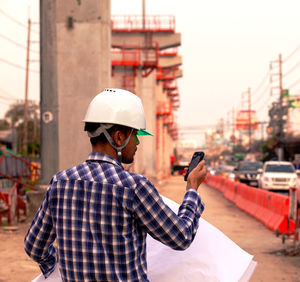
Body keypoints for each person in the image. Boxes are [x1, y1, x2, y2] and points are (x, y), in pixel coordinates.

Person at [24, 88, 207, 282]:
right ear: (119, 137)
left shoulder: (59, 183)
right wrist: (192, 190)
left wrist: (57, 267)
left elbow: (34, 247)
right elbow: (181, 237)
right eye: (135, 135)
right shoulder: (134, 187)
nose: (137, 142)